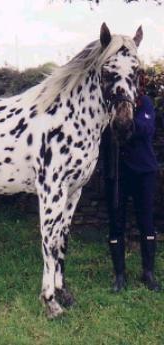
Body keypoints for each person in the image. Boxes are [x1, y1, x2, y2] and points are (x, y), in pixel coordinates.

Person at [102, 69, 161, 293]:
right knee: (116, 224)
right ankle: (119, 275)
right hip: (116, 172)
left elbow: (147, 128)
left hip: (143, 172)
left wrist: (124, 122)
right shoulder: (109, 104)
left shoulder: (143, 102)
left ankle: (148, 272)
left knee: (146, 222)